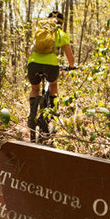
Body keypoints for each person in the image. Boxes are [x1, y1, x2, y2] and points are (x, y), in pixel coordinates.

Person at [26, 10, 75, 141]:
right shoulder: (60, 34)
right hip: (51, 66)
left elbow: (28, 51)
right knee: (53, 84)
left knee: (35, 89)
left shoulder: (39, 32)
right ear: (61, 23)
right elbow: (70, 56)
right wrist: (71, 66)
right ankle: (52, 111)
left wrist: (31, 62)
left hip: (33, 64)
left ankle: (32, 114)